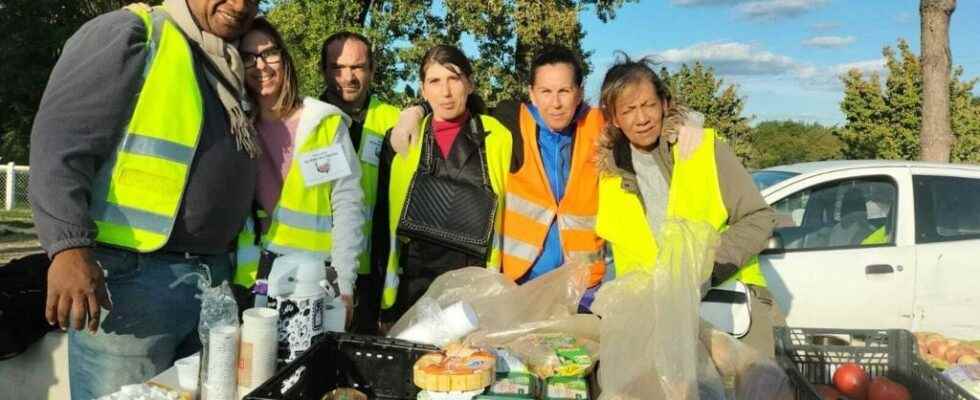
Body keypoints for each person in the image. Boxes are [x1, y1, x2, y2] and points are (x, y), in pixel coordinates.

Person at [28, 0, 260, 397]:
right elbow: (59, 143)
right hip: (131, 283)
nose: (239, 5)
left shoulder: (227, 66)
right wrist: (68, 246)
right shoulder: (133, 33)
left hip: (210, 280)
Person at [391, 46, 703, 311]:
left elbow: (642, 114)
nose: (555, 103)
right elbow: (455, 108)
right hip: (519, 285)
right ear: (532, 93)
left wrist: (687, 122)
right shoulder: (508, 122)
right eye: (546, 91)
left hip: (584, 290)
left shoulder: (599, 124)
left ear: (579, 92)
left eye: (564, 91)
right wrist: (414, 111)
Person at [592, 54, 782, 356]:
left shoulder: (701, 148)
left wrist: (705, 269)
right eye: (628, 110)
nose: (641, 119)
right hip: (656, 327)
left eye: (649, 105)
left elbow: (759, 216)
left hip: (727, 310)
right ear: (614, 119)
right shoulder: (609, 177)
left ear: (664, 104)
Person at [232, 18, 364, 325]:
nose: (260, 65)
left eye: (269, 53)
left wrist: (345, 283)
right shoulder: (237, 125)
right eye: (248, 57)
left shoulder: (323, 124)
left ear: (285, 58)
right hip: (251, 284)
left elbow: (347, 207)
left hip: (312, 285)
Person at [373, 45, 513, 325]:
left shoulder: (498, 136)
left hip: (474, 284)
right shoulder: (402, 139)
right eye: (434, 82)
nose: (445, 92)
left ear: (470, 84)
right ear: (423, 90)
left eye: (454, 79)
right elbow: (382, 217)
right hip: (413, 285)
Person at [318, 31, 401, 334]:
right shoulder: (310, 120)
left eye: (357, 67)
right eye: (338, 68)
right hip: (317, 268)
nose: (348, 77)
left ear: (372, 69)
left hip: (373, 274)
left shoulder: (394, 120)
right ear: (323, 70)